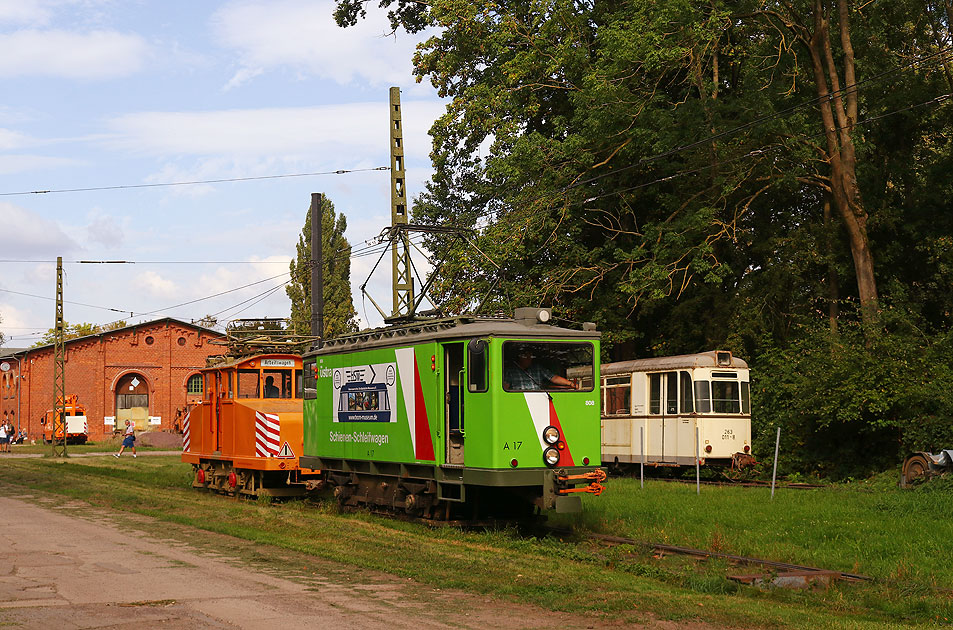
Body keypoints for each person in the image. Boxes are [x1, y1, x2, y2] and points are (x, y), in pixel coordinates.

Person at [504, 348, 577, 391]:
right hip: (519, 400)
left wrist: (570, 384)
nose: (529, 359)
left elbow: (554, 378)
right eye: (526, 357)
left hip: (538, 398)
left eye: (530, 357)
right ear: (520, 357)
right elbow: (505, 388)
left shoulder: (537, 368)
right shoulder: (510, 371)